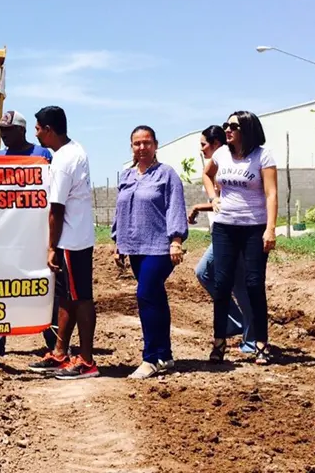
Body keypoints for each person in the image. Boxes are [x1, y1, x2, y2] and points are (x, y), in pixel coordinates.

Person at [0, 110, 57, 360]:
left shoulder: (41, 155)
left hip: (32, 233)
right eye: (1, 130)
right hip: (3, 234)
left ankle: (52, 340)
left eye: (8, 130)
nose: (3, 135)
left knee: (42, 284)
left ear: (21, 131)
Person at [28, 105, 99, 380]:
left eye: (38, 128)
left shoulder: (63, 161)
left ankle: (87, 361)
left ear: (48, 130)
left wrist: (51, 247)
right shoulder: (73, 151)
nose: (37, 134)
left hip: (72, 240)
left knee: (81, 299)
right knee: (67, 299)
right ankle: (59, 353)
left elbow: (56, 209)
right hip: (75, 237)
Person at [111, 126, 188, 379]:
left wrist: (176, 240)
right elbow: (120, 210)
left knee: (145, 294)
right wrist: (117, 242)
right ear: (131, 146)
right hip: (134, 246)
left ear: (156, 145)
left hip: (160, 247)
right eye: (137, 143)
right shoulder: (126, 175)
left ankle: (150, 358)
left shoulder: (166, 175)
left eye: (146, 143)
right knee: (155, 297)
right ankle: (165, 355)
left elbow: (175, 207)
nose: (142, 148)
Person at [202, 111, 278, 365]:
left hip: (254, 228)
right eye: (226, 125)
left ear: (247, 129)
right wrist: (213, 197)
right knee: (222, 285)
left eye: (233, 125)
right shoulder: (221, 153)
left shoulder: (262, 156)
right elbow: (207, 174)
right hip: (225, 227)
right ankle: (219, 343)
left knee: (254, 284)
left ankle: (260, 344)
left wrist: (270, 229)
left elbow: (271, 194)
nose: (227, 129)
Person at [188, 125, 256, 354]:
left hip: (234, 231)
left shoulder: (231, 166)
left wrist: (200, 205)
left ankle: (249, 335)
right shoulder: (218, 165)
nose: (201, 149)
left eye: (204, 144)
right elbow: (215, 193)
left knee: (227, 280)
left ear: (216, 144)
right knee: (222, 279)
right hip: (222, 232)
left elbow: (230, 200)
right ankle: (240, 327)